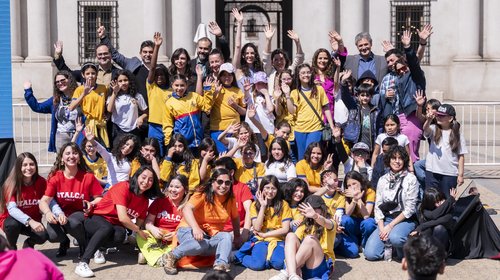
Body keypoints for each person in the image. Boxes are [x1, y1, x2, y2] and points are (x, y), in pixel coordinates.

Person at [77, 166, 163, 277]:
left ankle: (99, 247)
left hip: (113, 225)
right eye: (144, 177)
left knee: (120, 235)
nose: (146, 182)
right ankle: (83, 262)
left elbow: (140, 220)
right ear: (137, 176)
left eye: (150, 180)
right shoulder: (123, 187)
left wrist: (134, 233)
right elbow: (123, 218)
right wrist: (138, 231)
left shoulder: (144, 200)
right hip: (96, 218)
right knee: (106, 228)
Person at [162, 168, 240, 275]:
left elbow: (235, 218)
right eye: (220, 182)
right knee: (201, 244)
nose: (223, 186)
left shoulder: (230, 198)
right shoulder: (202, 193)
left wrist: (237, 238)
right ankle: (171, 256)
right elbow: (187, 209)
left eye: (227, 183)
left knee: (226, 237)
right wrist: (196, 228)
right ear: (213, 182)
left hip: (211, 237)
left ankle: (220, 267)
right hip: (189, 231)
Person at [39, 143, 103, 258]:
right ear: (62, 158)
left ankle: (83, 244)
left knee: (72, 222)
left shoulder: (88, 177)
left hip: (80, 215)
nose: (71, 156)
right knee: (52, 235)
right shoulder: (55, 177)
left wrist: (91, 203)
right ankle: (64, 242)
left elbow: (99, 198)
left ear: (79, 157)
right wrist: (48, 213)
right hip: (60, 214)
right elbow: (44, 201)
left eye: (75, 153)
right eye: (67, 153)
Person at [379, 30, 427, 163]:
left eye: (404, 68)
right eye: (398, 69)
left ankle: (414, 180)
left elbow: (413, 60)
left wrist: (409, 46)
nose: (402, 71)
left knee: (410, 156)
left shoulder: (415, 75)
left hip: (411, 116)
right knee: (398, 155)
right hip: (398, 117)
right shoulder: (396, 79)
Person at [364, 146, 419, 261]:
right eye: (394, 158)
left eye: (400, 158)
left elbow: (409, 209)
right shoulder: (383, 179)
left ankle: (410, 245)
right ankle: (391, 247)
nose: (397, 161)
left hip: (404, 219)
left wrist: (390, 226)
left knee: (396, 238)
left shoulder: (411, 179)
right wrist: (382, 227)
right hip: (386, 218)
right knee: (370, 254)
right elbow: (378, 206)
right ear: (389, 160)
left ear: (404, 161)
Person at [269, 195, 335, 280]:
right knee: (290, 236)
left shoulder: (331, 222)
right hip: (302, 267)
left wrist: (315, 216)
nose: (311, 212)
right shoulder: (305, 224)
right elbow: (293, 246)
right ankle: (292, 274)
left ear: (322, 209)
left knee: (309, 239)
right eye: (309, 209)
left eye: (315, 209)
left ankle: (286, 272)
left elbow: (326, 223)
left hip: (320, 266)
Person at [235, 175, 291, 271]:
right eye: (267, 188)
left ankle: (266, 258)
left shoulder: (283, 204)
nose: (270, 191)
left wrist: (266, 235)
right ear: (262, 189)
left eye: (273, 188)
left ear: (277, 190)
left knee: (278, 263)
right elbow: (257, 228)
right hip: (260, 239)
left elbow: (285, 229)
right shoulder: (254, 205)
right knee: (258, 265)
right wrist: (263, 207)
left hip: (277, 239)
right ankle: (240, 257)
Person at [98, 26, 158, 103]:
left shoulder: (159, 69)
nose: (147, 54)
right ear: (140, 53)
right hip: (134, 105)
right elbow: (115, 55)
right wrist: (103, 38)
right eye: (145, 52)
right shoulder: (132, 63)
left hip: (154, 105)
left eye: (151, 52)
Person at [0, 153, 48, 249]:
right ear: (18, 167)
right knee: (12, 225)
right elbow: (12, 210)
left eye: (31, 164)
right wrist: (30, 221)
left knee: (43, 236)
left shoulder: (41, 182)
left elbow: (48, 199)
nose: (29, 168)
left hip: (33, 220)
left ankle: (29, 244)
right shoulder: (11, 184)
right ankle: (12, 247)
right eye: (24, 165)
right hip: (12, 221)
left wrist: (47, 212)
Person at [24, 71, 80, 152]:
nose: (60, 83)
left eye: (62, 80)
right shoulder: (55, 100)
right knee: (62, 161)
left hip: (79, 135)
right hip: (62, 136)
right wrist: (28, 91)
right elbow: (37, 107)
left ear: (70, 80)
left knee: (80, 160)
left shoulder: (80, 96)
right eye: (57, 82)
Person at [288, 63, 335, 160]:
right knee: (302, 158)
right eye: (303, 73)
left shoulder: (319, 89)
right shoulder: (295, 92)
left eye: (308, 72)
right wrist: (287, 95)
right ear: (298, 75)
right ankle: (302, 175)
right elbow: (292, 111)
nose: (306, 75)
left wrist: (331, 126)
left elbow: (326, 108)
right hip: (300, 129)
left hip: (315, 128)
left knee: (313, 156)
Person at [423, 104, 467, 196]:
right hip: (432, 171)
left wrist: (460, 175)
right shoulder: (434, 129)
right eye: (438, 115)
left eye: (442, 116)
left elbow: (461, 156)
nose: (439, 117)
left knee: (448, 200)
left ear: (450, 118)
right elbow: (426, 130)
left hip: (450, 173)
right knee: (431, 199)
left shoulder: (458, 135)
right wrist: (429, 120)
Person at [163, 74, 213, 150]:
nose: (179, 88)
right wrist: (168, 143)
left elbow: (207, 107)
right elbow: (167, 124)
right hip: (182, 143)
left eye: (182, 85)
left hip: (198, 140)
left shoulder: (194, 96)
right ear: (172, 85)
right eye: (176, 85)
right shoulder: (169, 102)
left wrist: (207, 90)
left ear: (186, 85)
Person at [336, 171, 377, 258]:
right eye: (349, 185)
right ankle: (354, 242)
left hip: (364, 221)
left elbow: (366, 215)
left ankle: (364, 243)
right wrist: (354, 200)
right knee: (345, 219)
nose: (352, 187)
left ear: (361, 183)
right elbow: (347, 213)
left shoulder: (370, 192)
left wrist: (359, 199)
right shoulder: (347, 194)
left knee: (369, 223)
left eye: (354, 183)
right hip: (353, 223)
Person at [207, 62, 246, 152]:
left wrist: (235, 106)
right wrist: (215, 93)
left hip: (235, 129)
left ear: (233, 76)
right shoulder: (214, 87)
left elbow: (244, 112)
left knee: (235, 157)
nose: (227, 78)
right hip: (218, 129)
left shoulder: (238, 91)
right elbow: (207, 108)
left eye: (229, 75)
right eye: (224, 75)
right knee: (222, 157)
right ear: (219, 76)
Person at [70, 63, 110, 148]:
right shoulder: (80, 89)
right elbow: (71, 107)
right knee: (87, 149)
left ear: (96, 74)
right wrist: (83, 94)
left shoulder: (103, 88)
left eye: (93, 73)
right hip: (88, 125)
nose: (90, 76)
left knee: (102, 151)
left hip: (101, 124)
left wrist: (107, 114)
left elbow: (107, 104)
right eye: (87, 73)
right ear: (83, 75)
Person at [214, 157, 253, 244]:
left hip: (238, 230)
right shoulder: (213, 187)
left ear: (231, 172)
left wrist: (244, 234)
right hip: (216, 232)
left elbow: (249, 211)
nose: (218, 174)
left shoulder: (242, 187)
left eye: (221, 171)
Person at [339, 69, 379, 150]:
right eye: (362, 95)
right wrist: (343, 81)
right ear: (358, 96)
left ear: (371, 96)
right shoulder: (354, 107)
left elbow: (379, 128)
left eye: (367, 95)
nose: (365, 98)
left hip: (370, 144)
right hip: (356, 142)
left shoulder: (375, 110)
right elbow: (345, 96)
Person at [107, 69, 148, 147]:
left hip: (134, 129)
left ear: (129, 81)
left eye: (125, 80)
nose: (123, 83)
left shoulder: (137, 96)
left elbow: (146, 112)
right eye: (120, 81)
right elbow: (109, 110)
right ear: (115, 82)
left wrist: (141, 118)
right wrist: (114, 93)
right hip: (117, 129)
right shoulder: (112, 96)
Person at [53, 39, 119, 86]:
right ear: (96, 56)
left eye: (105, 53)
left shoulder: (119, 73)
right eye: (100, 54)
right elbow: (68, 73)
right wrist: (58, 55)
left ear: (111, 55)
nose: (103, 56)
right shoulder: (88, 71)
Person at [146, 32, 171, 156]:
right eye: (157, 75)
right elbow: (152, 68)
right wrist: (156, 47)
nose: (159, 77)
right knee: (154, 154)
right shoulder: (152, 86)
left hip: (170, 126)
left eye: (162, 74)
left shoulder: (172, 90)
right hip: (155, 126)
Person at [410, 187, 457, 252]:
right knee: (427, 230)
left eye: (441, 199)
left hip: (443, 243)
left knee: (439, 228)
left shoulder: (447, 208)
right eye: (437, 202)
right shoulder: (423, 209)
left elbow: (445, 219)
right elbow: (433, 215)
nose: (440, 203)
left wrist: (422, 226)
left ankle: (438, 256)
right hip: (428, 242)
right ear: (430, 203)